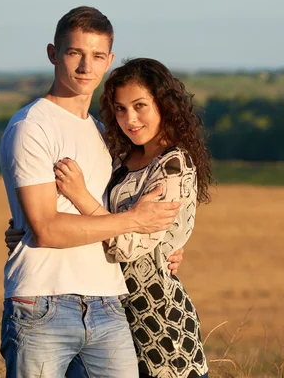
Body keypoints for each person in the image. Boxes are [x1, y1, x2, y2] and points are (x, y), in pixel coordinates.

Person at [0, 7, 184, 378]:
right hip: (42, 302)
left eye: (97, 56)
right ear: (53, 54)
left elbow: (133, 202)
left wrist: (165, 243)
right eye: (75, 53)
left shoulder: (104, 133)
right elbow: (48, 229)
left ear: (109, 60)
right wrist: (133, 221)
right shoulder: (32, 127)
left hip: (109, 301)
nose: (86, 67)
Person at [44, 58, 213, 377]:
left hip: (160, 327)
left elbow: (128, 247)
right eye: (120, 109)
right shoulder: (123, 157)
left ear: (163, 103)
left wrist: (80, 195)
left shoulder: (173, 166)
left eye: (139, 106)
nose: (130, 119)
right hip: (111, 320)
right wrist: (33, 231)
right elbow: (108, 226)